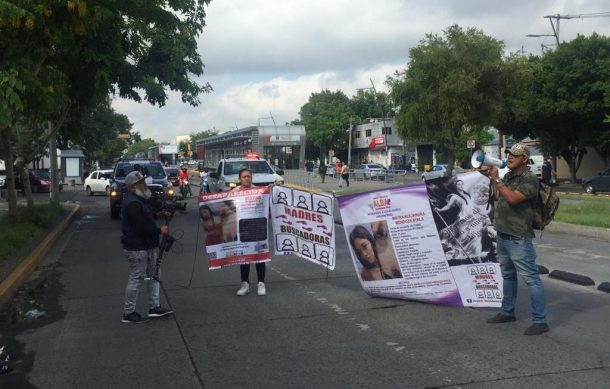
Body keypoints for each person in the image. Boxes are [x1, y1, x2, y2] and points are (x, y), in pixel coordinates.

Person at [486, 143, 549, 336]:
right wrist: (493, 180)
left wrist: (498, 180)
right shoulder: (508, 177)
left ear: (524, 159)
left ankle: (540, 320)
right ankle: (507, 312)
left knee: (531, 279)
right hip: (503, 234)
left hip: (518, 237)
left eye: (515, 155)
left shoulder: (529, 179)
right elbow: (498, 197)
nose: (510, 157)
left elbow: (513, 199)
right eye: (509, 154)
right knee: (508, 276)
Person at [120, 171, 173, 323]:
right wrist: (159, 230)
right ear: (132, 187)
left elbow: (146, 216)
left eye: (143, 182)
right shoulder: (133, 203)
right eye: (141, 183)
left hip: (146, 246)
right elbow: (139, 227)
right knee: (136, 279)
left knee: (154, 275)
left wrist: (159, 214)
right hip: (137, 248)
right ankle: (128, 313)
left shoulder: (138, 200)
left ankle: (154, 307)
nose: (144, 185)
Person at [233, 168, 267, 296]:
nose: (247, 179)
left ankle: (261, 283)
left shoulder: (259, 191)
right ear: (239, 179)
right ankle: (245, 284)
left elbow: (269, 198)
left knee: (259, 256)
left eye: (249, 176)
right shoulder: (234, 192)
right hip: (242, 230)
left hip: (257, 228)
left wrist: (276, 186)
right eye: (244, 177)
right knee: (244, 258)